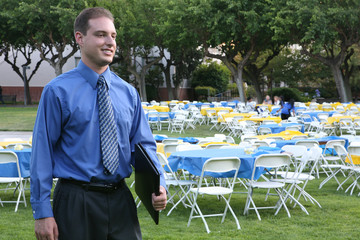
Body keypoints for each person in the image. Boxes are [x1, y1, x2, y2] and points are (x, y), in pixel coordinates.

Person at [30, 7, 167, 240]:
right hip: (75, 202)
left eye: (113, 36)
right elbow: (41, 153)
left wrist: (159, 184)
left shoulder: (129, 93)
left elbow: (144, 148)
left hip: (121, 200)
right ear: (79, 38)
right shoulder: (57, 91)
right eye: (101, 34)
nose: (110, 42)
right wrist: (42, 212)